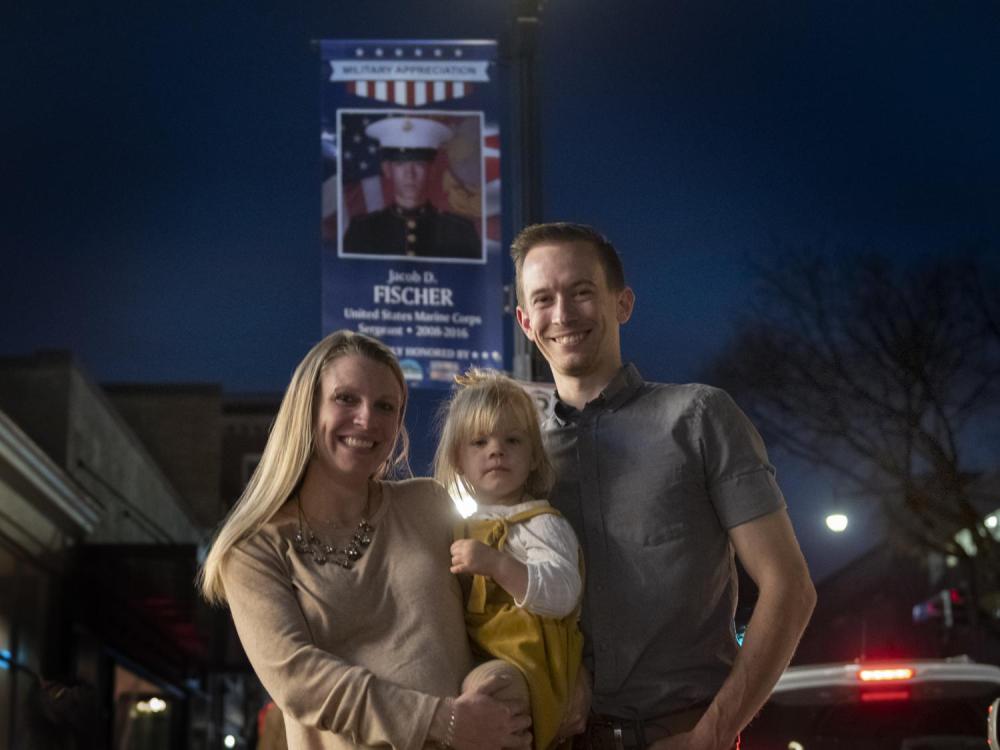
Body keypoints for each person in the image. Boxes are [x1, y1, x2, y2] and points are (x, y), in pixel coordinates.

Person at [510, 223, 817, 750]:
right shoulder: (518, 452)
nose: (562, 314)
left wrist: (712, 736)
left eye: (582, 291)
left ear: (622, 303)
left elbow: (790, 587)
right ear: (524, 320)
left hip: (682, 732)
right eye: (543, 299)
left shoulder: (699, 418)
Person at [198, 330, 531, 749]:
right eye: (346, 398)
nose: (367, 419)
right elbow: (298, 680)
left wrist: (559, 678)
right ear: (308, 407)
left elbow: (496, 617)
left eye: (385, 406)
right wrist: (442, 721)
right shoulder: (252, 549)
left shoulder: (428, 503)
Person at [434, 369, 585, 750]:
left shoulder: (541, 523)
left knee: (489, 694)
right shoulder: (456, 526)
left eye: (512, 440)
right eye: (479, 441)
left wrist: (499, 565)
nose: (496, 450)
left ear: (534, 456)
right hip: (468, 656)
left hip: (526, 663)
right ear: (458, 460)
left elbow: (564, 593)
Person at [343, 116, 482, 260]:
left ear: (432, 170)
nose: (410, 174)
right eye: (400, 164)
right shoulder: (361, 231)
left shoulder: (461, 232)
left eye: (419, 164)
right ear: (387, 170)